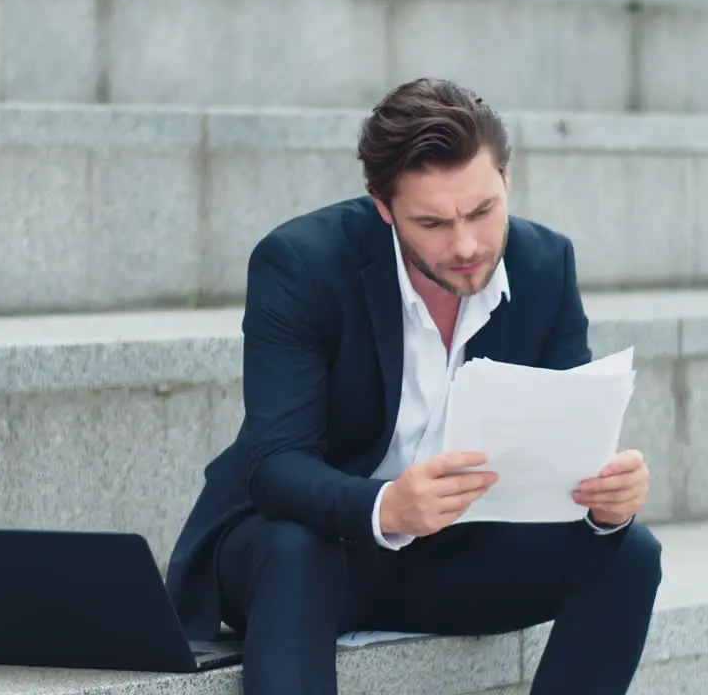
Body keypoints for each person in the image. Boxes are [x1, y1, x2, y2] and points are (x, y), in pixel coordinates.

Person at [165, 78, 662, 694]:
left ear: (506, 180)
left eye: (483, 210)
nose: (466, 245)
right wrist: (386, 507)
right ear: (383, 206)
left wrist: (605, 498)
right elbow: (277, 466)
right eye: (432, 222)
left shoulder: (545, 265)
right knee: (297, 549)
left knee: (630, 551)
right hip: (314, 550)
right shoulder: (301, 262)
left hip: (454, 556)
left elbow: (563, 444)